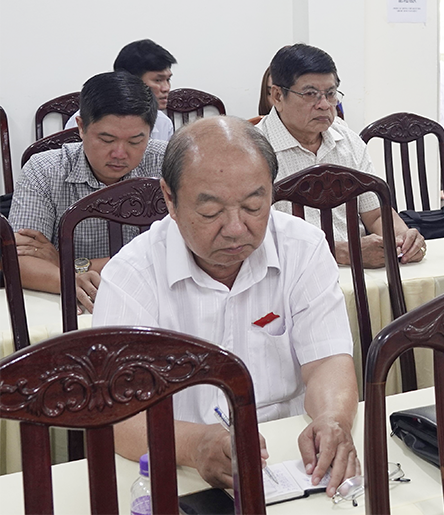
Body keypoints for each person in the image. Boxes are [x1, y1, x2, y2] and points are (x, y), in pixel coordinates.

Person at [92, 117, 357, 494]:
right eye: (211, 212)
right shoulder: (132, 275)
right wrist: (194, 445)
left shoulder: (303, 248)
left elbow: (327, 361)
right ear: (169, 198)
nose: (235, 228)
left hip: (291, 459)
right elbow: (118, 416)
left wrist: (332, 419)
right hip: (175, 466)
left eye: (253, 205)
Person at [257, 44, 425, 268]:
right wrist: (343, 252)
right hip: (293, 276)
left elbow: (375, 214)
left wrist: (404, 239)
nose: (324, 105)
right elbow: (258, 238)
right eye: (310, 94)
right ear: (278, 96)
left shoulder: (348, 140)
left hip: (361, 273)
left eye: (330, 94)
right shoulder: (253, 151)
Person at [9, 72, 166, 312]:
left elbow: (185, 252)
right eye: (106, 139)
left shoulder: (167, 163)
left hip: (153, 303)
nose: (119, 153)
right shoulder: (44, 170)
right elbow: (19, 259)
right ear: (81, 127)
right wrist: (67, 281)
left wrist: (69, 264)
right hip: (75, 309)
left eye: (135, 141)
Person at [68, 39, 177, 142]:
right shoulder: (87, 119)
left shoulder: (163, 123)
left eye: (168, 79)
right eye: (158, 80)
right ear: (130, 81)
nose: (166, 88)